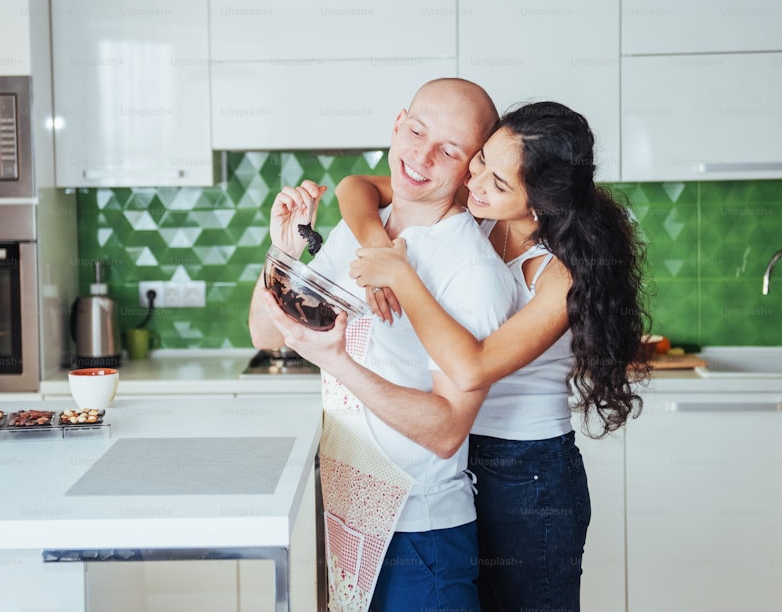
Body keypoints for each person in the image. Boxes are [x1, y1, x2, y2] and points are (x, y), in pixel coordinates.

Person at [265, 101, 649, 612]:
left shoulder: (559, 276)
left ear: (540, 204)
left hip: (527, 473)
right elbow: (356, 187)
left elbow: (472, 367)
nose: (477, 181)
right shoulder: (480, 207)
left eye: (499, 181)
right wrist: (378, 241)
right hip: (462, 457)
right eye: (481, 160)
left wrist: (402, 276)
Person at [249, 78, 517, 612]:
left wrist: (338, 363)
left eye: (449, 150)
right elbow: (265, 334)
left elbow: (445, 432)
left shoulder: (472, 271)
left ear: (472, 168)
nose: (420, 155)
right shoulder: (358, 228)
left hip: (421, 534)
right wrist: (281, 254)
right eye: (416, 131)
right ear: (397, 124)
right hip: (348, 514)